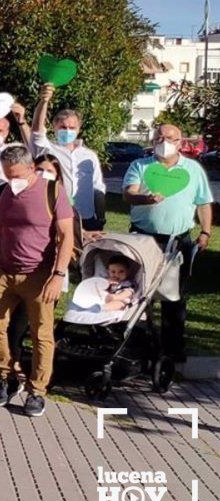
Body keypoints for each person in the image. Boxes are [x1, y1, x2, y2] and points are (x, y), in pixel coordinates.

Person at [0, 145, 74, 418]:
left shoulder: (52, 191)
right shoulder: (4, 192)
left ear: (32, 168)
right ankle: (7, 378)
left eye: (17, 175)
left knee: (41, 333)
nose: (13, 181)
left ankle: (37, 391)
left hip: (39, 274)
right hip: (3, 270)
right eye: (8, 176)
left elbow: (66, 236)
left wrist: (58, 275)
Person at [123, 123, 213, 362]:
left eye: (170, 138)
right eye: (159, 138)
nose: (164, 142)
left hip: (177, 240)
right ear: (153, 141)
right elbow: (128, 194)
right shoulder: (140, 166)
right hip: (144, 237)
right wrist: (144, 198)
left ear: (181, 142)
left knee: (173, 294)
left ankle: (173, 347)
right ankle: (139, 343)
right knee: (138, 290)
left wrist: (205, 232)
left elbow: (203, 202)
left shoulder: (193, 170)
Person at [32, 84, 105, 231]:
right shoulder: (47, 149)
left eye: (72, 128)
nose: (67, 131)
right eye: (63, 127)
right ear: (54, 127)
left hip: (86, 217)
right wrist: (44, 101)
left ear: (79, 129)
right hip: (56, 216)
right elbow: (37, 129)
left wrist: (101, 217)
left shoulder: (89, 156)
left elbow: (98, 188)